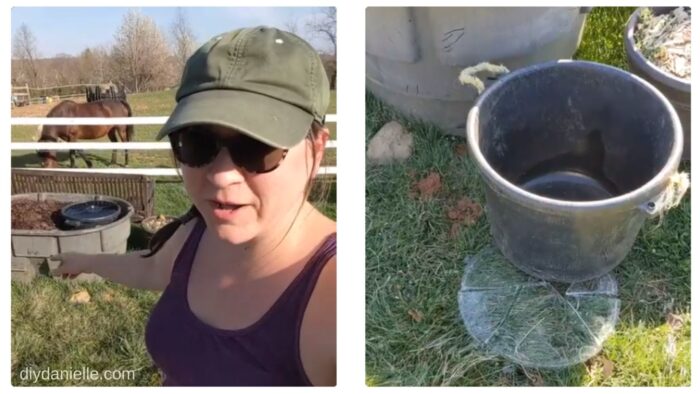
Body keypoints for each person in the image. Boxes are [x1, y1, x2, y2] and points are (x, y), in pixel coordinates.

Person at [51, 26, 336, 386]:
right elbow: (152, 269)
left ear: (317, 150)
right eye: (195, 142)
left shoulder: (336, 293)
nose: (220, 176)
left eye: (257, 146)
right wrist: (88, 261)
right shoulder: (198, 232)